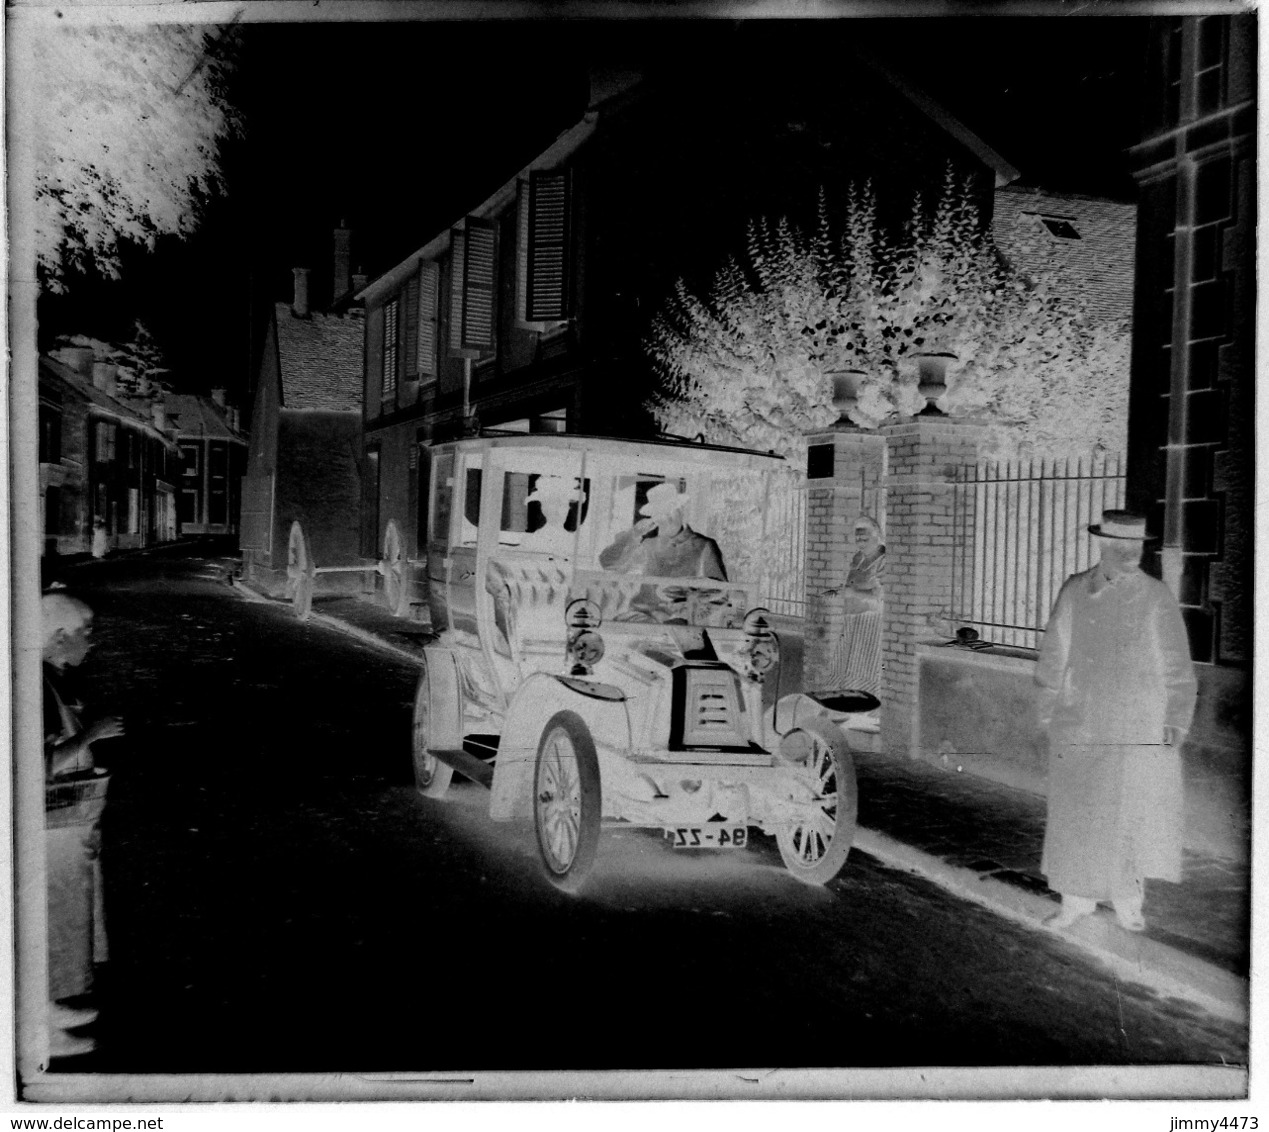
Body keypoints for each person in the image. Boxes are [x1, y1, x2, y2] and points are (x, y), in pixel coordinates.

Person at [1034, 511, 1197, 933]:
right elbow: (1054, 652)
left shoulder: (1155, 595)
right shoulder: (1074, 590)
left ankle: (1128, 902)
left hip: (1134, 728)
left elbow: (1177, 662)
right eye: (1121, 546)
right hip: (1080, 723)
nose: (1130, 554)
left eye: (1137, 546)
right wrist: (1049, 710)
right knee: (1077, 815)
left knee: (1130, 815)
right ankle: (1074, 903)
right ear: (1103, 546)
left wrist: (1176, 718)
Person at [42, 592, 121, 1059]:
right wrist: (92, 734)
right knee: (51, 923)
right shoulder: (34, 685)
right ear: (59, 636)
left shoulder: (49, 678)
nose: (90, 645)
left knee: (64, 922)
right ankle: (38, 1033)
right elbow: (40, 763)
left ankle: (48, 1006)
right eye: (85, 635)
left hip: (65, 826)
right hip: (50, 828)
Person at [599, 481, 727, 581]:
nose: (665, 517)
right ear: (654, 517)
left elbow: (719, 590)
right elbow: (609, 566)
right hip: (645, 613)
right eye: (659, 513)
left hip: (685, 612)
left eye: (669, 511)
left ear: (681, 510)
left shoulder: (705, 546)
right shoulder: (648, 546)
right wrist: (633, 534)